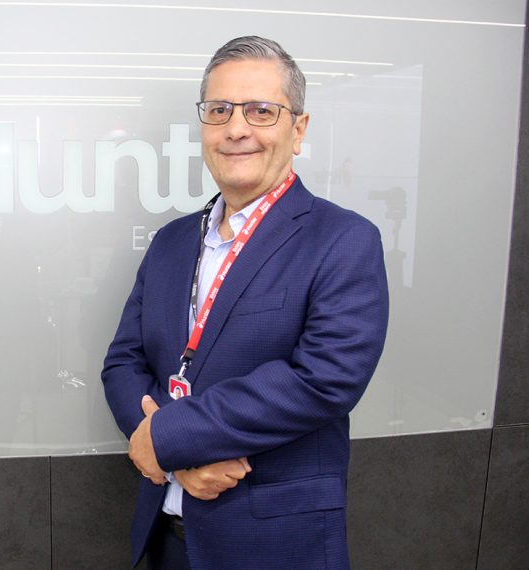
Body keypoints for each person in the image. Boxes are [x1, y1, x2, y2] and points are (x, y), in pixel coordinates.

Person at [101, 36, 388, 569]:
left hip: (272, 543)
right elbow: (123, 362)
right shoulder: (170, 242)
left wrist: (169, 437)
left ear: (298, 129)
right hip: (165, 535)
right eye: (219, 110)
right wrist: (171, 456)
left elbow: (324, 379)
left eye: (260, 111)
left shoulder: (343, 240)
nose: (236, 128)